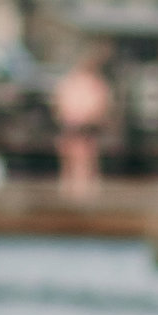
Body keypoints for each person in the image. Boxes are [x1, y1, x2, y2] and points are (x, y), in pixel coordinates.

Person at [53, 49, 114, 201]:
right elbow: (61, 104)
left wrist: (91, 118)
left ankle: (83, 193)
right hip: (72, 126)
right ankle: (72, 194)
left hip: (86, 128)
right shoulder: (71, 82)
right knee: (71, 160)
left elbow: (100, 105)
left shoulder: (94, 84)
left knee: (86, 160)